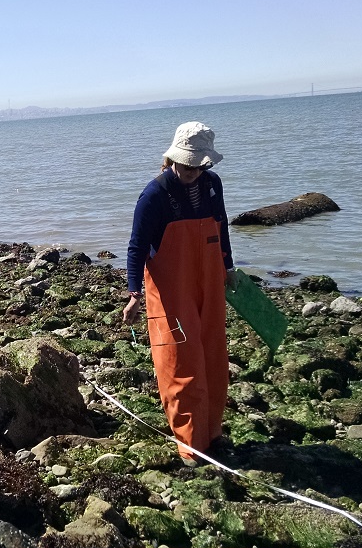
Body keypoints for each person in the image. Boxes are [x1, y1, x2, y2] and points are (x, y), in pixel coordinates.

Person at [122, 121, 241, 466]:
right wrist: (134, 293)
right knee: (180, 364)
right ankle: (190, 444)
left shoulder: (213, 185)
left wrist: (228, 268)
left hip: (209, 281)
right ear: (173, 158)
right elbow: (136, 248)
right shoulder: (154, 195)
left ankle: (212, 434)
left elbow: (221, 228)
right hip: (171, 291)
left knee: (213, 358)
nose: (191, 170)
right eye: (186, 164)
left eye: (197, 164)